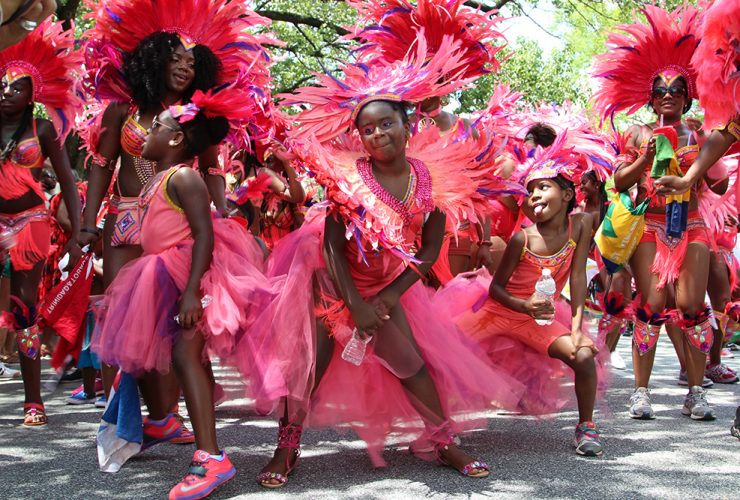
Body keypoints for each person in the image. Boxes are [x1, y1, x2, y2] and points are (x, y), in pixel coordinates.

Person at [255, 42, 522, 487]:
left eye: (386, 124)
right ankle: (286, 449)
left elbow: (429, 251)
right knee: (309, 365)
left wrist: (387, 298)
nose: (377, 134)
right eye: (367, 129)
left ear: (406, 123)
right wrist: (356, 304)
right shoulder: (347, 177)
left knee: (411, 365)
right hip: (331, 283)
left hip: (390, 284)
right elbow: (333, 248)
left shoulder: (436, 178)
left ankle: (444, 442)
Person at [78, 0, 274, 440]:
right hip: (127, 219)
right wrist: (87, 223)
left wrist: (221, 208)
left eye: (191, 61)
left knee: (176, 320)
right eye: (175, 58)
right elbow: (100, 164)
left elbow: (213, 169)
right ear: (152, 59)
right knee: (124, 319)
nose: (184, 67)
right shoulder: (121, 111)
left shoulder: (196, 119)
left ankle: (168, 414)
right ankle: (126, 419)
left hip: (179, 223)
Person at [94, 86, 277, 499]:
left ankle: (211, 457)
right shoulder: (159, 178)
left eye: (156, 127)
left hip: (193, 276)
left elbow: (204, 235)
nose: (147, 134)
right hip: (164, 274)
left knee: (184, 356)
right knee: (185, 358)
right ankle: (200, 442)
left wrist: (194, 291)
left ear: (175, 138)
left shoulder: (185, 176)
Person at [591, 4, 729, 421]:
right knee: (651, 304)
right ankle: (641, 391)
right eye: (659, 91)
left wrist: (699, 168)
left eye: (675, 90)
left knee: (690, 307)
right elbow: (619, 182)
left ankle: (695, 389)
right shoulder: (637, 133)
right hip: (650, 224)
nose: (667, 95)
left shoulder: (703, 135)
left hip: (692, 224)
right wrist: (645, 156)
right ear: (650, 99)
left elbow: (720, 184)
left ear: (688, 97)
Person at [443, 136, 602, 456]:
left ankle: (586, 426)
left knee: (584, 357)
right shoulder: (521, 239)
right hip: (498, 311)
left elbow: (578, 274)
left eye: (543, 187)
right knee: (443, 351)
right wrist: (524, 305)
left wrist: (576, 330)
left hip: (538, 320)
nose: (534, 196)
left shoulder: (581, 226)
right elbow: (495, 289)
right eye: (530, 191)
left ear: (568, 195)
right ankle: (442, 428)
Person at [0, 19, 83, 425]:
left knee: (23, 306)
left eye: (17, 86)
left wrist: (78, 231)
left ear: (34, 93)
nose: (7, 91)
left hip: (29, 222)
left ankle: (33, 401)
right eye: (3, 83)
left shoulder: (43, 128)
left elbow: (68, 180)